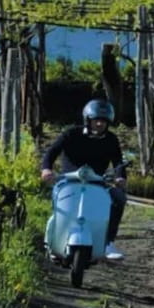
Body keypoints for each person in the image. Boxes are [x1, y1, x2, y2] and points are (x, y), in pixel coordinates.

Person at [41, 98, 128, 260]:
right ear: (88, 119)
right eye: (96, 120)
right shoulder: (71, 134)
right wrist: (46, 169)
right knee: (58, 206)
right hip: (68, 181)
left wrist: (120, 177)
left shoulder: (111, 140)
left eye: (103, 121)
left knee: (118, 198)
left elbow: (118, 163)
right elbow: (52, 152)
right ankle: (52, 241)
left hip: (97, 182)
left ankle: (108, 242)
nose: (100, 124)